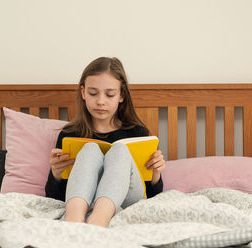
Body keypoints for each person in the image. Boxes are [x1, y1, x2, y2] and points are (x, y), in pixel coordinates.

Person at [45, 57, 165, 227]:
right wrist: (56, 174)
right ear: (83, 92)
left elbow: (153, 196)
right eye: (93, 93)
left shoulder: (137, 133)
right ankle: (73, 221)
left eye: (110, 94)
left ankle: (98, 221)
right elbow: (54, 198)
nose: (101, 101)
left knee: (120, 150)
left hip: (127, 201)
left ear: (121, 95)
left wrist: (155, 174)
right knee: (90, 148)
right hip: (83, 200)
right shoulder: (70, 134)